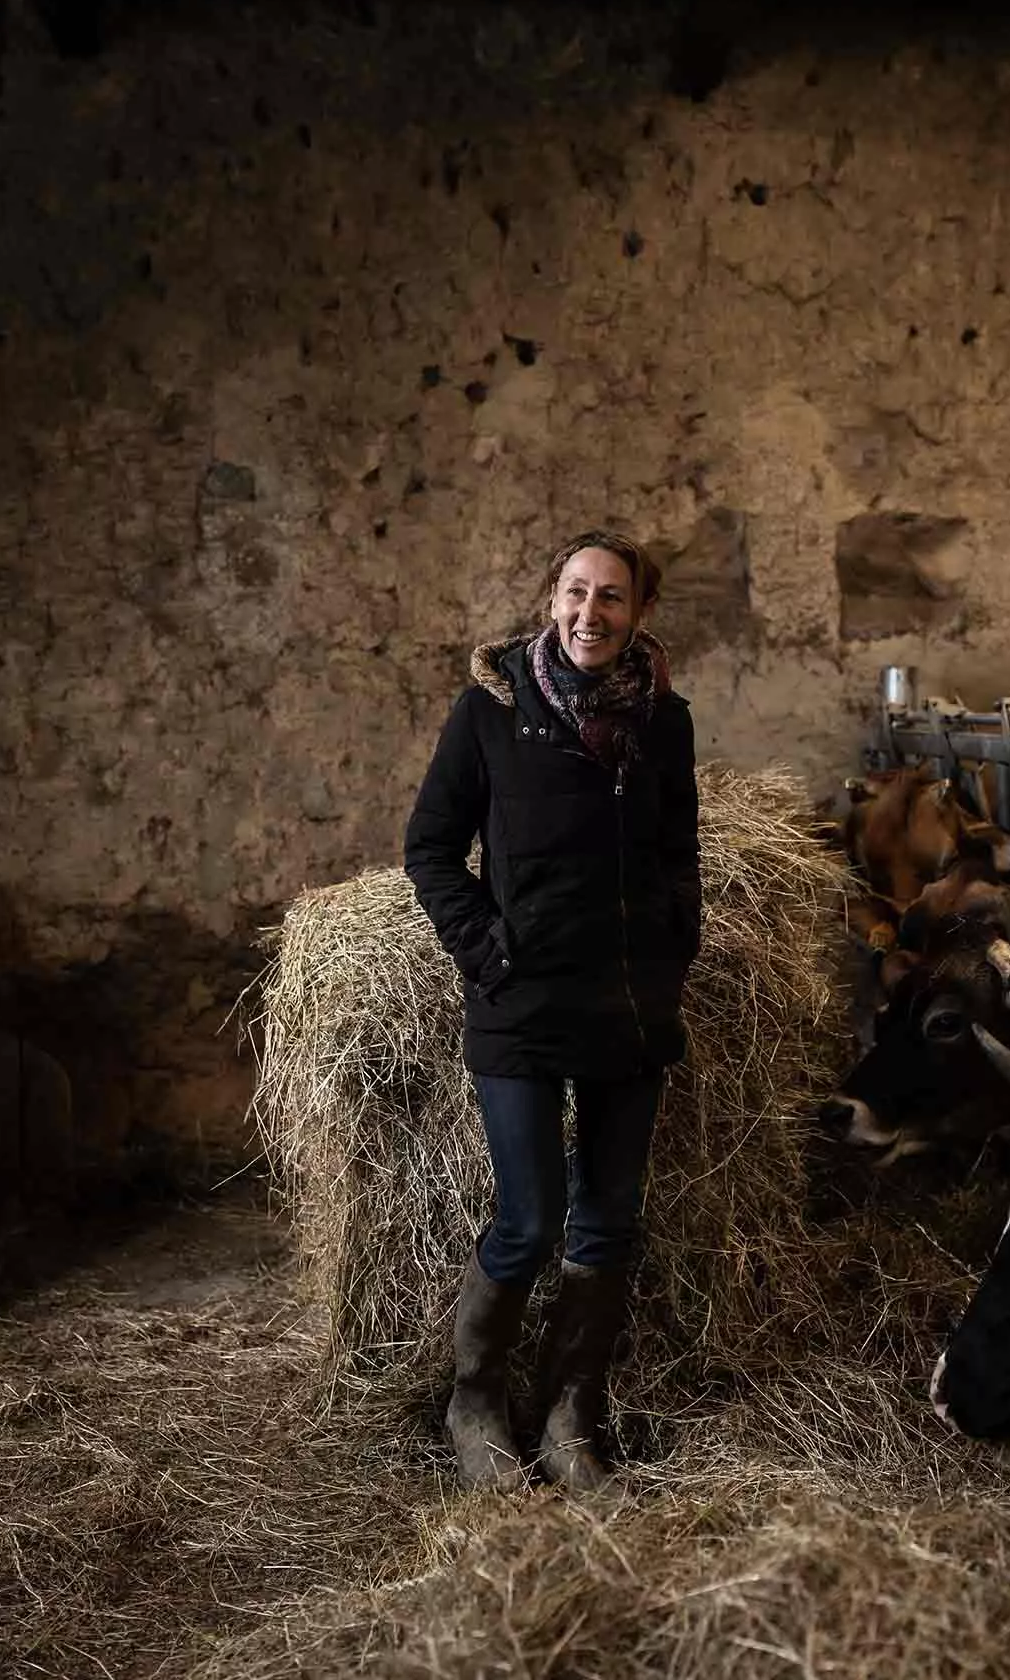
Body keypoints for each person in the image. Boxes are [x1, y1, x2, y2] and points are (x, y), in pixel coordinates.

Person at [404, 528, 701, 1495]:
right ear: (550, 600)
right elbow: (433, 848)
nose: (590, 613)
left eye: (611, 598)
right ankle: (476, 1403)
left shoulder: (665, 723)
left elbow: (676, 853)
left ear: (638, 615)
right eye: (575, 592)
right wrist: (488, 948)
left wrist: (673, 946)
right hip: (521, 1005)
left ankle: (575, 1416)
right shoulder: (491, 713)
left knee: (607, 1221)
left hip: (627, 1004)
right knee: (529, 1221)